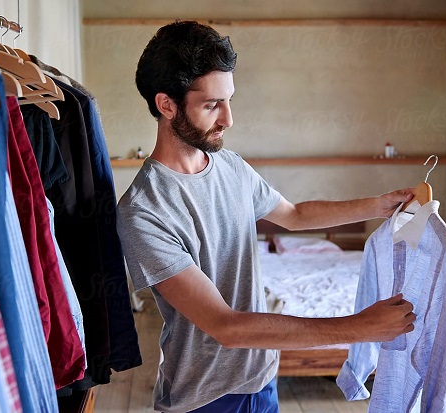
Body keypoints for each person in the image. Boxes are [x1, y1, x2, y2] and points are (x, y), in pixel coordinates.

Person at [116, 20, 416, 413]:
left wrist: (380, 205)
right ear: (167, 105)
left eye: (229, 100)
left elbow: (294, 215)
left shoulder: (232, 168)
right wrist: (358, 328)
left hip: (262, 379)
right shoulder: (144, 210)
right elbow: (225, 325)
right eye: (212, 105)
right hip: (205, 398)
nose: (228, 118)